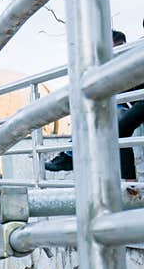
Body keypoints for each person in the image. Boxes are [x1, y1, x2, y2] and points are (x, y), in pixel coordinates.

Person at [45, 29, 141, 178]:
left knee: (119, 127)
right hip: (128, 103)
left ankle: (130, 182)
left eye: (119, 47)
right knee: (93, 112)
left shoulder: (133, 56)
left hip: (138, 101)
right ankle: (70, 154)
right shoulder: (112, 66)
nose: (117, 53)